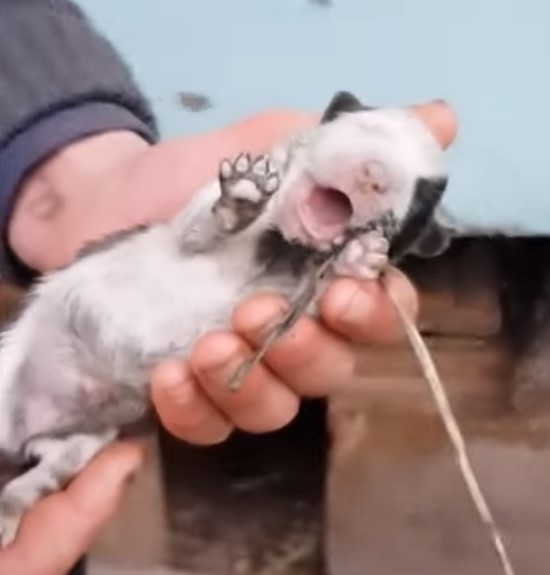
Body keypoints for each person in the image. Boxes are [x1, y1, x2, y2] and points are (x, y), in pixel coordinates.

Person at [0, 1, 458, 573]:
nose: (372, 175)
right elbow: (198, 232)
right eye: (365, 139)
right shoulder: (248, 195)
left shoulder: (306, 276)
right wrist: (231, 208)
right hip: (62, 334)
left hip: (101, 386)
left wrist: (72, 175)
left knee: (53, 460)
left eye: (391, 190)